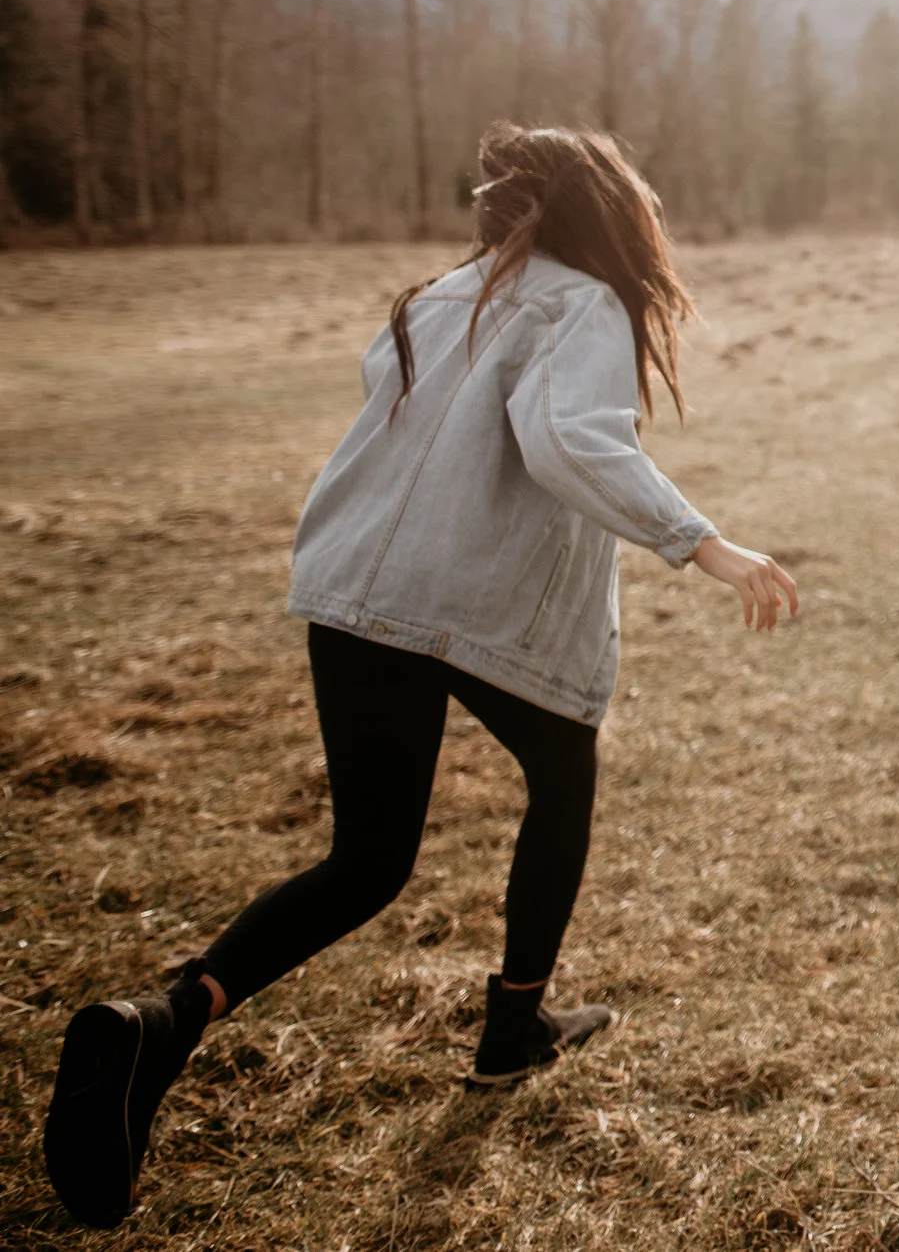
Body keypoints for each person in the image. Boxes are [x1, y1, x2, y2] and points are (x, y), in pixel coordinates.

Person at [44, 124, 801, 1230]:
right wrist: (706, 544)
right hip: (467, 595)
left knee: (367, 857)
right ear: (607, 211)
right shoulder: (583, 301)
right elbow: (567, 439)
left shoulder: (439, 294)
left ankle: (161, 1021)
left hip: (351, 580)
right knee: (562, 774)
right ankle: (513, 1027)